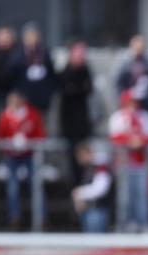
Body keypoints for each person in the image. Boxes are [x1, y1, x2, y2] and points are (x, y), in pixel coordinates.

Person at [0, 90, 46, 230]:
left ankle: (41, 217)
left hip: (30, 156)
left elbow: (41, 135)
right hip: (12, 157)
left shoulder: (32, 114)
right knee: (13, 187)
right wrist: (9, 145)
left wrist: (29, 143)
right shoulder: (6, 116)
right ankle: (14, 217)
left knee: (35, 185)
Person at [109, 90, 148, 232]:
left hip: (141, 162)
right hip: (124, 163)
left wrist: (140, 141)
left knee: (141, 195)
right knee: (124, 197)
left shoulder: (145, 117)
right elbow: (114, 137)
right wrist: (130, 141)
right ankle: (123, 225)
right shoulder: (118, 117)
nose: (133, 105)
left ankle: (143, 224)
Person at [58, 41, 94, 182]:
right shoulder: (66, 72)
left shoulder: (86, 71)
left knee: (85, 159)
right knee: (71, 160)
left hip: (83, 124)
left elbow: (87, 90)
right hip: (69, 125)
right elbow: (67, 91)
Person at [71, 142, 114, 234]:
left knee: (97, 242)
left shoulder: (101, 167)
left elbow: (100, 189)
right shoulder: (89, 168)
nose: (79, 160)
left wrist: (80, 193)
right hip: (90, 210)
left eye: (81, 156)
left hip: (97, 210)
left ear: (89, 153)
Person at [116, 34, 148, 111]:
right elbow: (118, 83)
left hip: (145, 103)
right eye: (137, 48)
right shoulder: (125, 64)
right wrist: (124, 97)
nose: (139, 50)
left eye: (141, 48)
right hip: (129, 102)